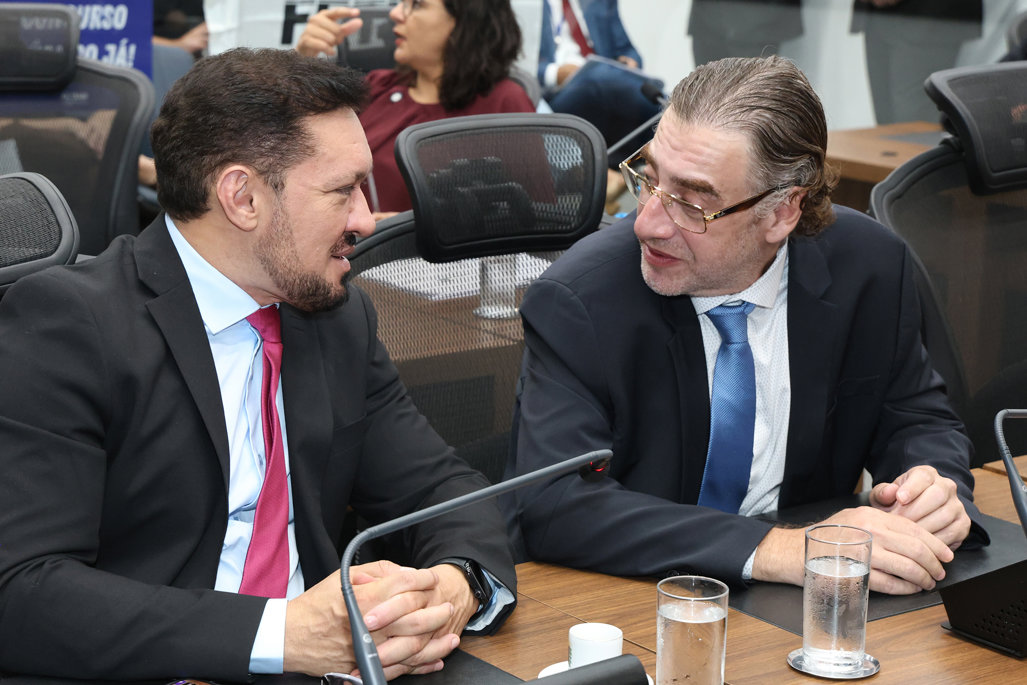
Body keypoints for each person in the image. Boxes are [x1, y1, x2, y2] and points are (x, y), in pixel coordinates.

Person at [0, 48, 515, 681]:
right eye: (342, 190)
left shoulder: (336, 316)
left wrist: (457, 584)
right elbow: (22, 591)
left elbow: (439, 489)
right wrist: (283, 634)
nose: (365, 218)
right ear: (242, 198)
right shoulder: (69, 326)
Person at [503, 55, 989, 596]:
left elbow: (915, 418)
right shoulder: (580, 300)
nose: (648, 223)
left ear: (782, 212)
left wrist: (932, 489)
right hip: (630, 597)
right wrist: (779, 549)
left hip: (805, 602)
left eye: (691, 202)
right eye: (649, 180)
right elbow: (556, 504)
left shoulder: (869, 266)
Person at [296, 0, 534, 219]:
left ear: (465, 22)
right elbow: (299, 149)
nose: (395, 13)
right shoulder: (377, 86)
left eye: (417, 4)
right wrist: (304, 64)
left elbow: (536, 214)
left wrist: (409, 230)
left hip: (425, 253)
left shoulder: (505, 103)